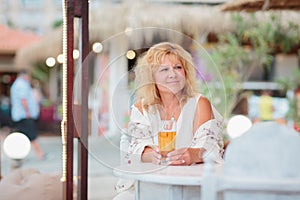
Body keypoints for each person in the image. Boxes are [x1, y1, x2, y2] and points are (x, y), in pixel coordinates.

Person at [114, 42, 224, 199]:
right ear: (151, 77)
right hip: (150, 184)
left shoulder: (199, 104)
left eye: (178, 67)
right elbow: (134, 149)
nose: (173, 74)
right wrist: (151, 154)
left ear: (185, 72)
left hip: (189, 186)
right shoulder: (142, 107)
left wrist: (192, 155)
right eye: (164, 69)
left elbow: (210, 146)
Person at [10, 70, 45, 160]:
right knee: (31, 134)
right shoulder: (21, 84)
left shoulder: (18, 84)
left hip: (21, 115)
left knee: (22, 136)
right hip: (24, 115)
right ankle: (40, 154)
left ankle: (18, 156)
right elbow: (23, 100)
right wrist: (28, 112)